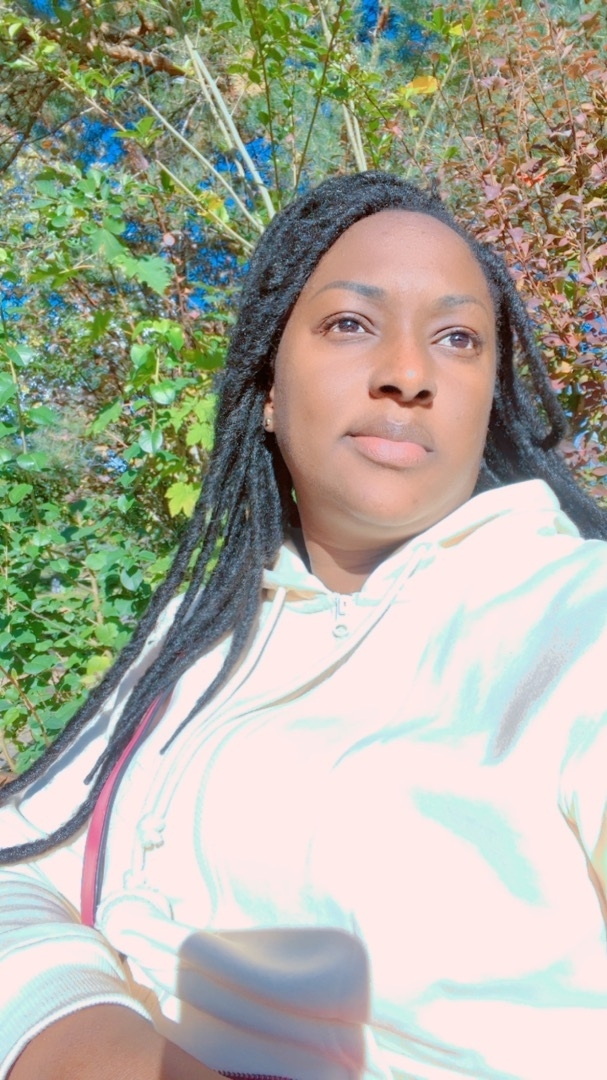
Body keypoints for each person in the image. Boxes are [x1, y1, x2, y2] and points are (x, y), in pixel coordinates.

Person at [0, 170, 606, 1080]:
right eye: (351, 323)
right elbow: (20, 864)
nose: (408, 374)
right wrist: (87, 1038)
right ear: (269, 389)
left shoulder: (576, 620)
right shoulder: (202, 640)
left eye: (457, 338)